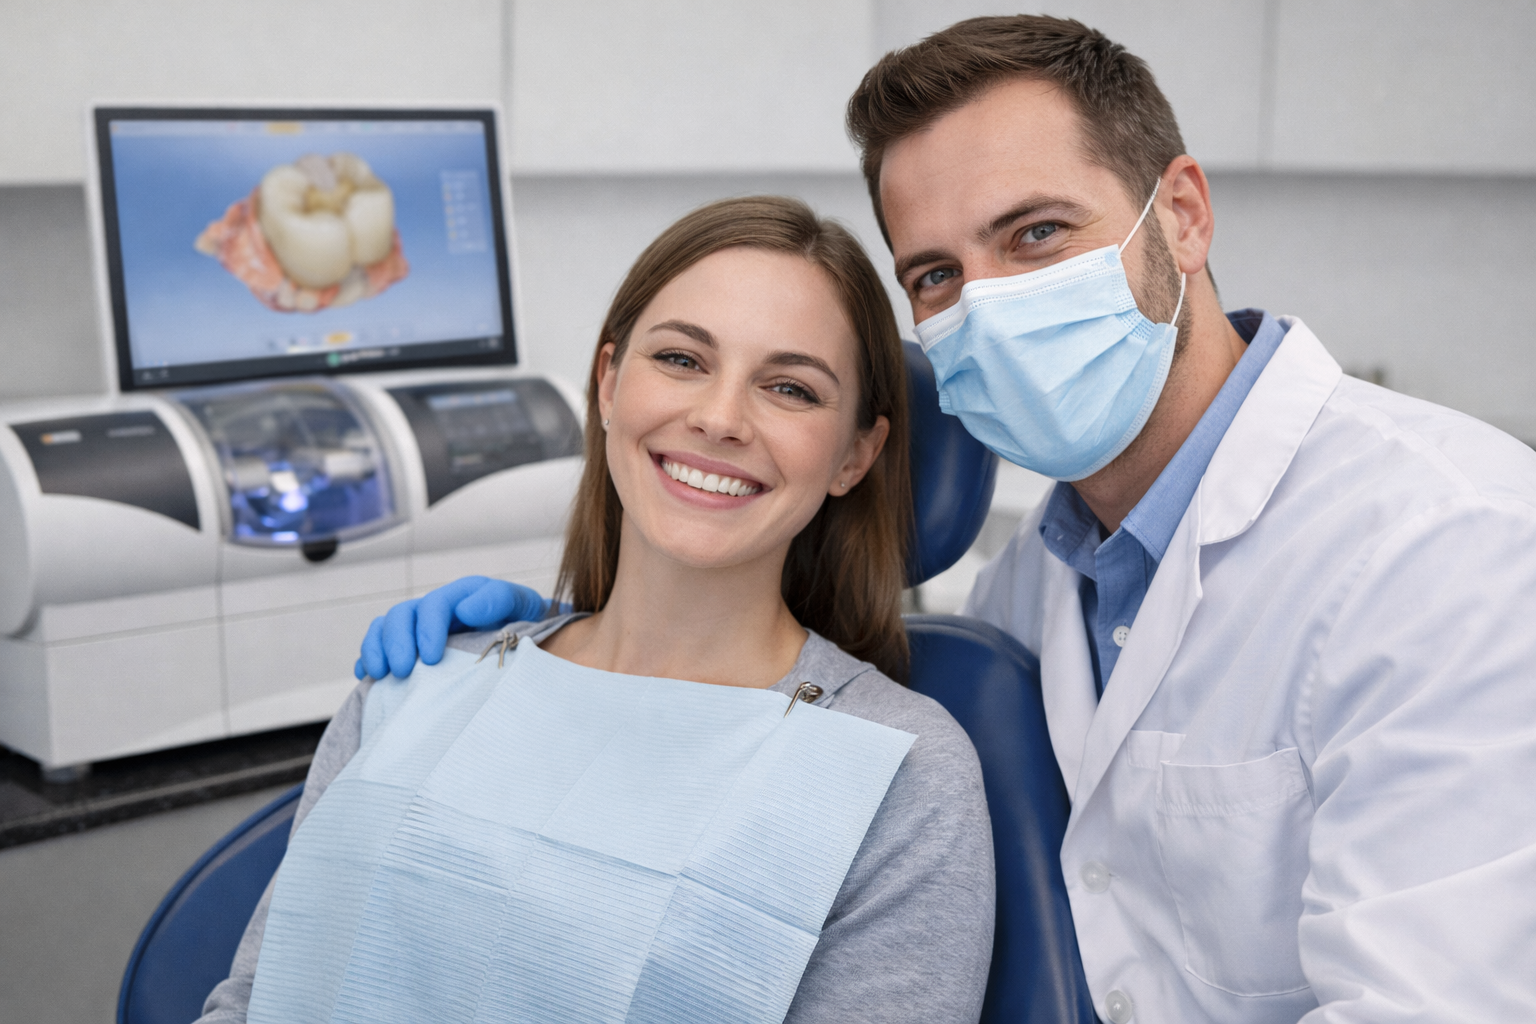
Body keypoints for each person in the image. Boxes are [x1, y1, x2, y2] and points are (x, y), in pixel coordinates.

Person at [357, 16, 1536, 1024]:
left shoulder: (1454, 547)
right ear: (606, 384)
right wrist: (553, 656)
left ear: (1180, 215)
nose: (992, 304)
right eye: (935, 275)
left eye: (1036, 234)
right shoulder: (1030, 591)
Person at [201, 196, 995, 1024]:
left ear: (855, 454)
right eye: (683, 360)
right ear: (609, 382)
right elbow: (257, 998)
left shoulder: (900, 773)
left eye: (790, 388)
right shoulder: (418, 682)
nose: (719, 419)